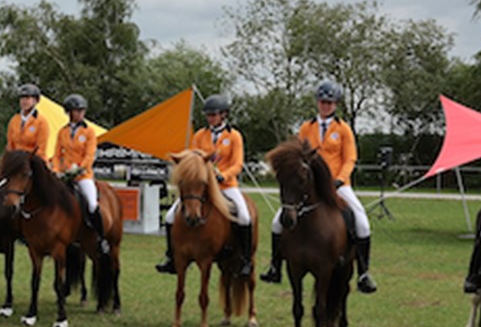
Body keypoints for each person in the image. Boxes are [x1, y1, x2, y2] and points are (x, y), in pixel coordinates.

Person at [260, 80, 378, 294]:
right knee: (278, 222)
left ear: (335, 104)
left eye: (329, 103)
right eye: (322, 102)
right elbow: (297, 154)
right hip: (309, 186)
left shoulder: (343, 129)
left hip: (338, 185)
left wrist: (340, 179)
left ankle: (363, 273)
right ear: (317, 102)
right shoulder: (307, 127)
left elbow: (350, 158)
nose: (325, 106)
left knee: (362, 222)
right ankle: (275, 267)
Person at [156, 94, 253, 277]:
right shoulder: (200, 135)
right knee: (169, 216)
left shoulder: (234, 136)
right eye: (208, 115)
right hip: (202, 186)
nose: (210, 118)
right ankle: (171, 257)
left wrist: (223, 175)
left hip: (226, 185)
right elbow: (194, 158)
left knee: (244, 216)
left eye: (213, 115)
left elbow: (238, 163)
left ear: (223, 115)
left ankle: (245, 260)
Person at [51, 93, 110, 255]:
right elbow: (57, 154)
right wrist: (56, 170)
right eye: (77, 110)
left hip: (83, 176)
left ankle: (101, 238)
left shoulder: (89, 131)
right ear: (69, 112)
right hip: (64, 175)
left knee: (92, 204)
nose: (80, 113)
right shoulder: (62, 132)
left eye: (82, 110)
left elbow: (89, 155)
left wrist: (79, 169)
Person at [6, 83, 50, 160]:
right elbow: (10, 145)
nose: (24, 101)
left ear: (36, 100)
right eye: (22, 98)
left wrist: (25, 160)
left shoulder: (41, 122)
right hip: (16, 160)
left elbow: (41, 149)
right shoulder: (14, 120)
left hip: (35, 160)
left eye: (27, 98)